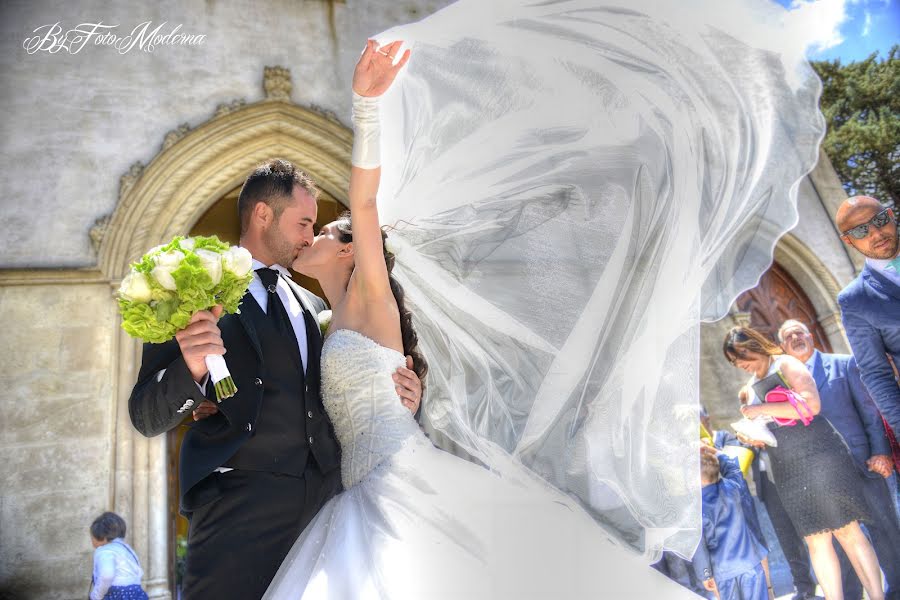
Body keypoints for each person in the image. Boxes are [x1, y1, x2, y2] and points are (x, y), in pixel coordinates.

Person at [262, 38, 696, 600]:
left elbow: (364, 205)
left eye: (321, 232)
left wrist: (365, 105)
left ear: (350, 251)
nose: (310, 238)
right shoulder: (328, 317)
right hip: (358, 486)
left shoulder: (371, 294)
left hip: (397, 478)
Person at [128, 162, 423, 596]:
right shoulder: (190, 289)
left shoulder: (313, 305)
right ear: (263, 214)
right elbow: (145, 415)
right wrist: (190, 368)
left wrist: (400, 397)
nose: (309, 235)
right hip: (235, 505)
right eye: (304, 222)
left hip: (324, 509)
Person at [724, 326, 884, 600]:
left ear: (753, 345)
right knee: (814, 539)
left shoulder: (785, 363)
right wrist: (751, 434)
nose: (740, 364)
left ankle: (877, 597)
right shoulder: (748, 387)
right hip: (787, 466)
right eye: (734, 361)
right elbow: (770, 425)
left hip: (820, 455)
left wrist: (761, 409)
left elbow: (812, 405)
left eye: (741, 356)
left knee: (847, 530)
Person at [778, 319, 900, 600]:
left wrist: (879, 452)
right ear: (782, 347)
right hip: (823, 476)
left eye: (800, 332)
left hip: (862, 464)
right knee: (842, 539)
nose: (796, 338)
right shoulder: (784, 388)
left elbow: (870, 413)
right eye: (788, 336)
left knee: (885, 529)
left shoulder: (844, 364)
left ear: (811, 336)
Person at [738, 386, 821, 600]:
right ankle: (803, 586)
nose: (747, 408)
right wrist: (749, 439)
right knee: (787, 537)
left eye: (750, 402)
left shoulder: (780, 410)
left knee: (819, 531)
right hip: (769, 485)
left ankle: (835, 578)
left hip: (795, 476)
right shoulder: (749, 423)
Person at [835, 197, 900, 437]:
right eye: (861, 230)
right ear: (848, 240)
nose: (876, 233)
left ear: (891, 216)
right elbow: (876, 374)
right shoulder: (855, 299)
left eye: (880, 220)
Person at [693, 445, 769, 600]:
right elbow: (734, 469)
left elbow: (698, 546)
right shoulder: (735, 487)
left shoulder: (695, 509)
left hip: (723, 571)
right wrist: (716, 453)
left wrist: (705, 574)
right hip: (750, 563)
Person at [88, 512, 148, 600]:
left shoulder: (104, 551)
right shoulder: (126, 549)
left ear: (102, 537)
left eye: (92, 537)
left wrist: (95, 596)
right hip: (137, 594)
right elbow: (138, 572)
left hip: (116, 595)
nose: (91, 541)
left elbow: (106, 575)